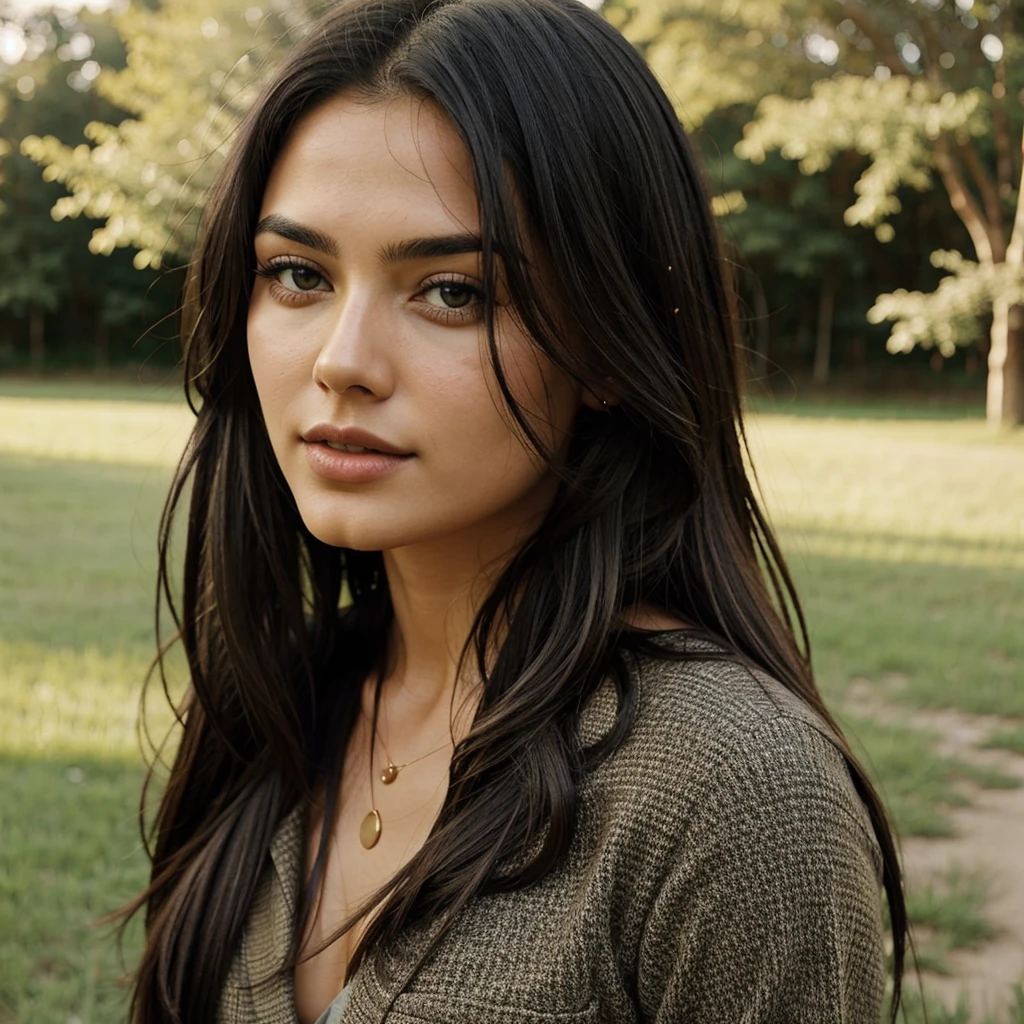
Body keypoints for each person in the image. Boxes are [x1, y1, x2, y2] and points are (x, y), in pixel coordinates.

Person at [124, 0, 908, 1021]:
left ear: (607, 346)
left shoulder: (732, 790)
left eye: (451, 291)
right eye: (298, 274)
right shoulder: (281, 702)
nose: (341, 362)